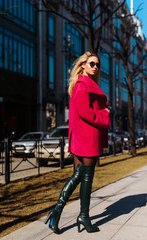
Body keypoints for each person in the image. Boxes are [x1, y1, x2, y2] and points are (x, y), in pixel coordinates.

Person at [45, 51, 111, 234]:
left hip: (82, 137)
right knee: (86, 178)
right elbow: (86, 113)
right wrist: (105, 114)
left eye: (97, 64)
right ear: (83, 65)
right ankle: (80, 215)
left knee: (78, 177)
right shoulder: (82, 85)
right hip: (87, 138)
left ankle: (60, 213)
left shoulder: (83, 84)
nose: (95, 67)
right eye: (92, 63)